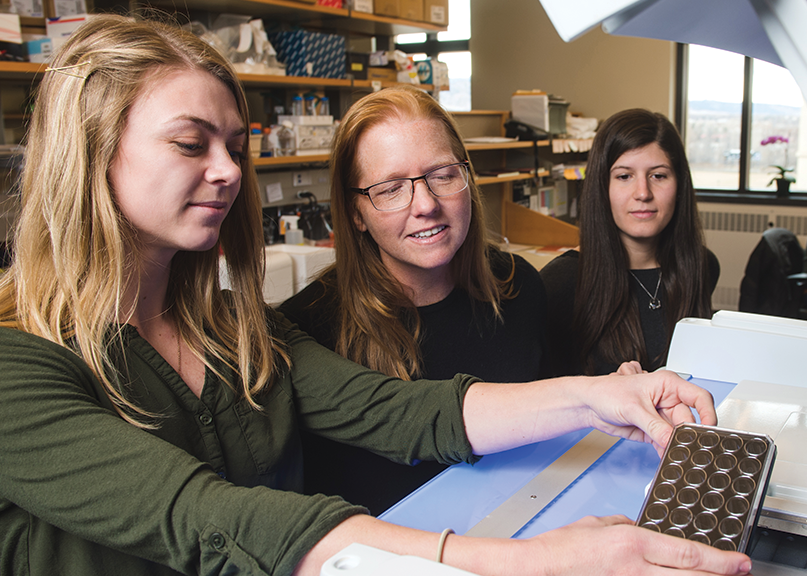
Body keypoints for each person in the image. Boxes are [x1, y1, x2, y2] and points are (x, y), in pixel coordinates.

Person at [0, 15, 752, 576]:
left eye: (236, 145)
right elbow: (208, 515)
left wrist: (599, 398)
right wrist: (533, 561)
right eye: (192, 143)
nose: (229, 171)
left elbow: (405, 410)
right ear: (93, 154)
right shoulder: (17, 363)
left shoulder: (235, 329)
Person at [279, 85, 548, 514]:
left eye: (442, 175)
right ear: (355, 213)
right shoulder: (307, 329)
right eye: (390, 188)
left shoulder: (519, 286)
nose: (425, 204)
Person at [541, 108, 720, 376]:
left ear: (680, 183)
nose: (643, 193)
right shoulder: (560, 283)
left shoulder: (701, 265)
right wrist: (602, 392)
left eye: (658, 175)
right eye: (624, 176)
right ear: (602, 186)